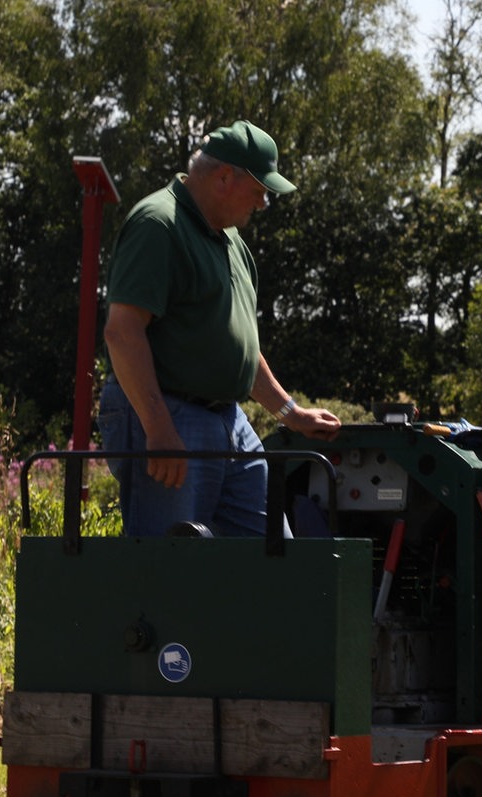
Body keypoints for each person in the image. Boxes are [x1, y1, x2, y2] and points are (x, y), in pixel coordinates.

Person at [98, 120, 340, 536]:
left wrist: (291, 413)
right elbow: (122, 333)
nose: (264, 203)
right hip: (171, 415)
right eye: (261, 189)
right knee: (170, 567)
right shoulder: (159, 224)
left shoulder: (234, 246)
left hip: (229, 421)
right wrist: (159, 430)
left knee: (272, 557)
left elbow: (240, 351)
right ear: (225, 177)